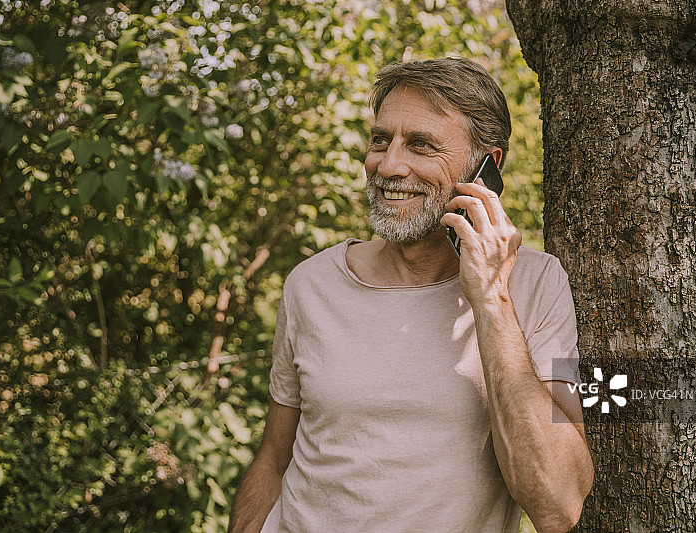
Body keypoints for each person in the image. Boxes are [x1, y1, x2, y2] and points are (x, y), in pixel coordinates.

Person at [229, 57, 593, 533]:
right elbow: (273, 459)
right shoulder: (309, 284)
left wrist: (490, 297)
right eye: (381, 140)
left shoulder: (539, 285)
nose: (389, 164)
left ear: (488, 166)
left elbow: (558, 504)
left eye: (421, 145)